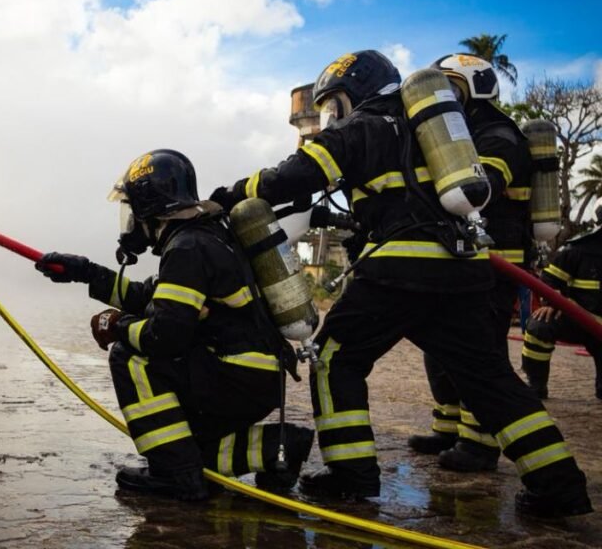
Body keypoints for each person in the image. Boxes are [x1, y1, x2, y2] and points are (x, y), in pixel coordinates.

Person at [209, 50, 592, 517]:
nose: (333, 115)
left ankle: (352, 477)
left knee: (335, 359)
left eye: (336, 103)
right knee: (488, 377)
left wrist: (228, 196)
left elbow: (295, 177)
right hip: (462, 267)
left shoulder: (364, 125)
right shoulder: (437, 128)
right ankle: (560, 486)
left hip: (399, 265)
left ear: (358, 91)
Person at [34, 149, 314, 502]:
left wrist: (117, 327)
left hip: (236, 377)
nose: (130, 222)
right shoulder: (205, 236)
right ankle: (279, 448)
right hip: (254, 378)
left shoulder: (187, 248)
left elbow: (165, 337)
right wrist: (84, 272)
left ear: (149, 205)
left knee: (130, 356)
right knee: (188, 444)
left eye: (131, 210)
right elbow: (146, 297)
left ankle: (175, 477)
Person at [407, 54, 534, 473]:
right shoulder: (462, 135)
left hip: (497, 263)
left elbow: (481, 188)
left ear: (475, 89)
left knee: (483, 354)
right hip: (464, 260)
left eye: (452, 88)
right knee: (441, 349)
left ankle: (480, 446)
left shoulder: (499, 135)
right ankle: (448, 428)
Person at [521, 205, 602, 401]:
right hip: (579, 320)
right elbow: (550, 280)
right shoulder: (580, 250)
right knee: (539, 327)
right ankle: (536, 385)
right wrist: (552, 302)